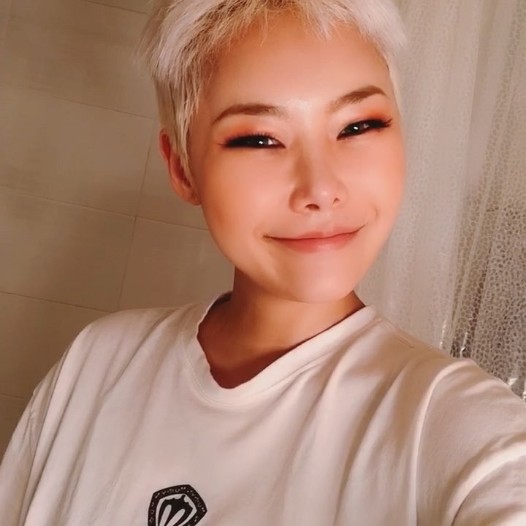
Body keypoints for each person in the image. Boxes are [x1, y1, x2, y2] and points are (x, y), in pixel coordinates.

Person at [1, 1, 526, 524]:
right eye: (258, 139)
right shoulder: (97, 362)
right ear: (182, 168)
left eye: (358, 126)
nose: (320, 189)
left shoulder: (453, 424)